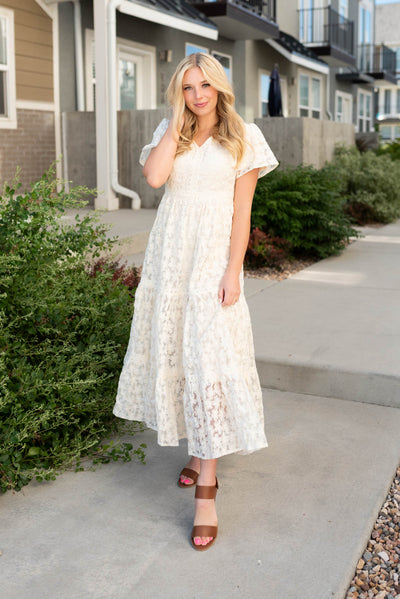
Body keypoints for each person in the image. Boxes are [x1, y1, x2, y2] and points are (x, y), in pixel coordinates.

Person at [113, 52, 278, 551]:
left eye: (205, 86)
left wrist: (234, 270)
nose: (198, 95)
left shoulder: (244, 135)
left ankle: (206, 490)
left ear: (220, 87)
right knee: (180, 355)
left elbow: (241, 214)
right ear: (179, 93)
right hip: (171, 258)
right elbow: (155, 179)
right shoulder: (173, 129)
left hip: (212, 260)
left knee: (209, 358)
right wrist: (175, 125)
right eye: (188, 88)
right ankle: (197, 449)